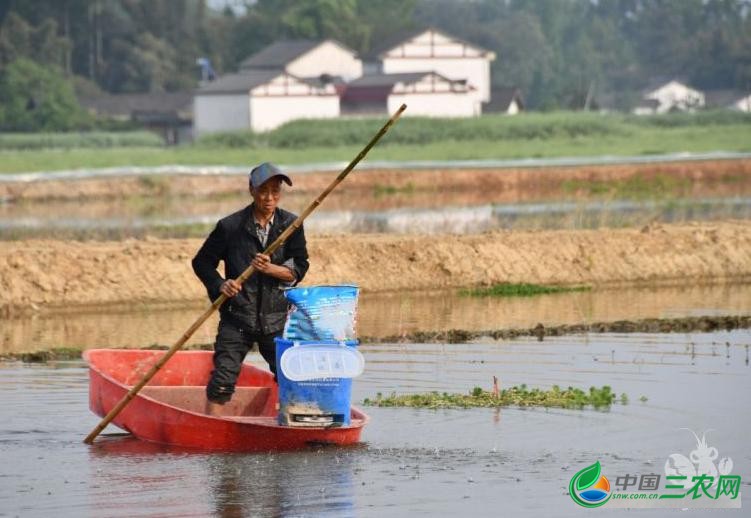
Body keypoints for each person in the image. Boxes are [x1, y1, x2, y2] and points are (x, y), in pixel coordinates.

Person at [192, 162, 309, 415]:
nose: (269, 198)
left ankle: (295, 428)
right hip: (237, 317)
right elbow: (201, 262)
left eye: (275, 191)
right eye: (263, 191)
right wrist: (221, 284)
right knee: (222, 381)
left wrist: (270, 269)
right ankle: (211, 432)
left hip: (276, 319)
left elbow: (298, 269)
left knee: (290, 377)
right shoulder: (230, 227)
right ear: (251, 190)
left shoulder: (291, 226)